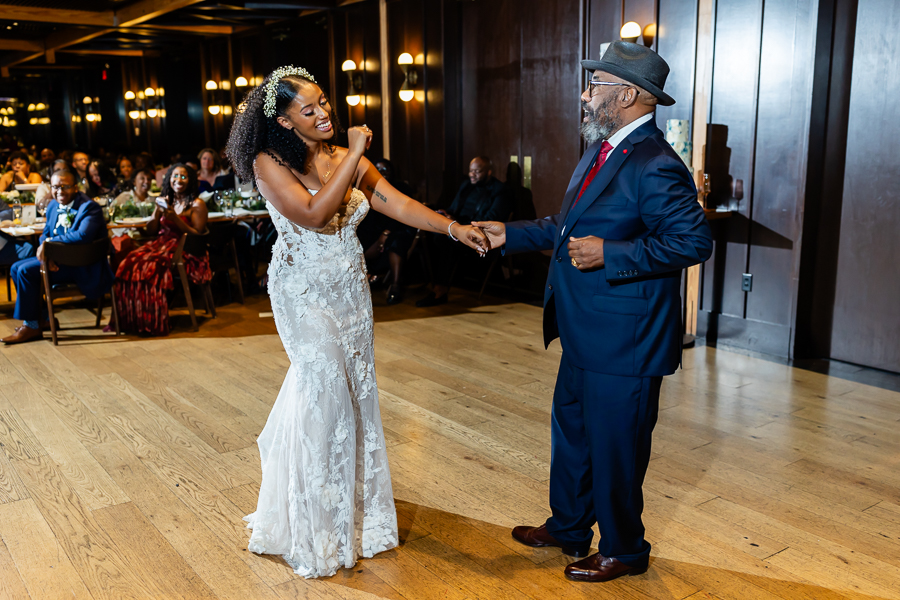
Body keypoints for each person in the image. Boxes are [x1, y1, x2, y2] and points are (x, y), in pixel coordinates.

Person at [225, 65, 487, 578]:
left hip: (349, 291)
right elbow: (315, 213)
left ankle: (359, 521)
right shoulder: (267, 163)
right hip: (303, 293)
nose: (323, 113)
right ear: (283, 120)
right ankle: (316, 529)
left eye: (324, 102)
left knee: (354, 398)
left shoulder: (345, 157)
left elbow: (396, 202)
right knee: (324, 397)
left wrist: (452, 227)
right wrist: (354, 154)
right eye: (309, 109)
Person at [474, 42, 713, 583]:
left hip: (625, 342)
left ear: (627, 94)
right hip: (585, 332)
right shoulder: (603, 150)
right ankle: (569, 527)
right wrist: (508, 234)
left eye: (594, 85)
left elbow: (694, 241)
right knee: (574, 437)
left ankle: (626, 550)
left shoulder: (655, 164)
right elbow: (567, 223)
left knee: (616, 450)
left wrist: (614, 254)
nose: (585, 95)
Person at [0, 169, 113, 345]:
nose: (60, 191)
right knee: (16, 267)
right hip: (60, 262)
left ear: (75, 187)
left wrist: (49, 246)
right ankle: (41, 319)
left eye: (65, 186)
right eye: (55, 187)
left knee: (25, 271)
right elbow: (45, 234)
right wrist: (49, 251)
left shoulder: (89, 207)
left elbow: (82, 236)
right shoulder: (53, 205)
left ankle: (31, 326)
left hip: (83, 265)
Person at [113, 164, 210, 336]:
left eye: (183, 176)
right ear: (169, 179)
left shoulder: (197, 204)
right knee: (127, 263)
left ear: (191, 180)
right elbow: (151, 230)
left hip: (186, 251)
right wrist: (157, 212)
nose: (178, 180)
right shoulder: (165, 200)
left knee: (150, 269)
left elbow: (198, 235)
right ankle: (133, 321)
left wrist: (175, 219)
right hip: (161, 244)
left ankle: (153, 322)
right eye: (175, 176)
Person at [416, 156, 512, 307]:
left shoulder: (500, 191)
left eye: (477, 171)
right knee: (426, 235)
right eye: (470, 171)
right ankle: (430, 284)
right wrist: (447, 215)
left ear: (488, 172)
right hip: (459, 229)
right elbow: (454, 208)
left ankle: (440, 290)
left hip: (480, 236)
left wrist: (460, 225)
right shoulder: (466, 185)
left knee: (446, 241)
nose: (472, 174)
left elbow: (491, 221)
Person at [356, 158, 418, 304]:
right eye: (379, 169)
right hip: (376, 229)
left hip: (401, 226)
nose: (383, 172)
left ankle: (395, 285)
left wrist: (386, 233)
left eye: (386, 169)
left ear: (392, 171)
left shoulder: (402, 187)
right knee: (360, 238)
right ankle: (369, 276)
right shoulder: (369, 188)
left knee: (396, 242)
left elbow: (405, 213)